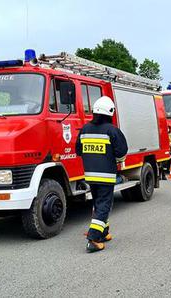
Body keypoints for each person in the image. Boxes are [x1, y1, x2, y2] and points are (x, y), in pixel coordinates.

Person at [75, 96, 128, 253]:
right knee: (105, 204)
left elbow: (78, 150)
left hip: (90, 175)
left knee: (98, 203)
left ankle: (103, 232)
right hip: (106, 176)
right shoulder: (112, 131)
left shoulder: (84, 129)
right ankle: (93, 238)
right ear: (110, 112)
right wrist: (116, 159)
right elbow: (121, 153)